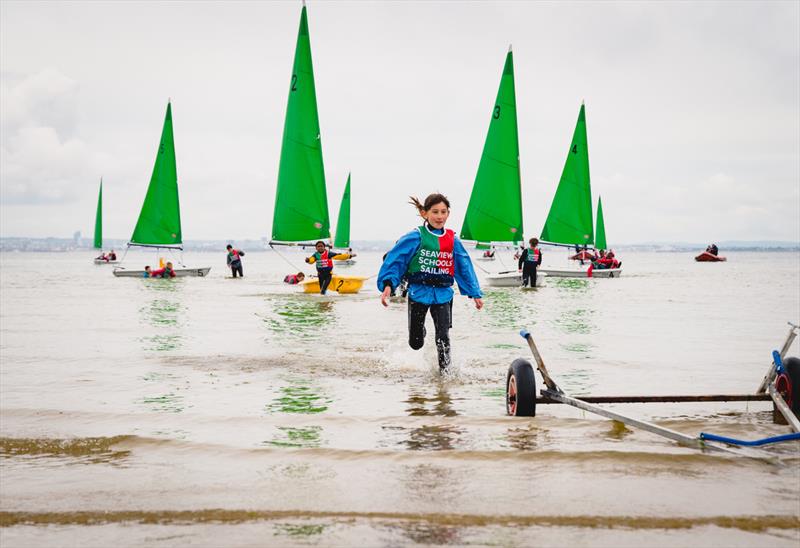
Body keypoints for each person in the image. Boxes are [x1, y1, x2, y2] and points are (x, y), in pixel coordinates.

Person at [378, 193, 483, 372]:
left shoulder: (452, 239)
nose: (439, 216)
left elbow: (463, 266)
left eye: (443, 212)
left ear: (448, 214)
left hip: (443, 295)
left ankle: (445, 375)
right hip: (418, 293)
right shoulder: (415, 236)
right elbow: (397, 260)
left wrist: (475, 293)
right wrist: (388, 284)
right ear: (425, 213)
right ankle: (420, 333)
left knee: (443, 336)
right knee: (416, 342)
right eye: (435, 212)